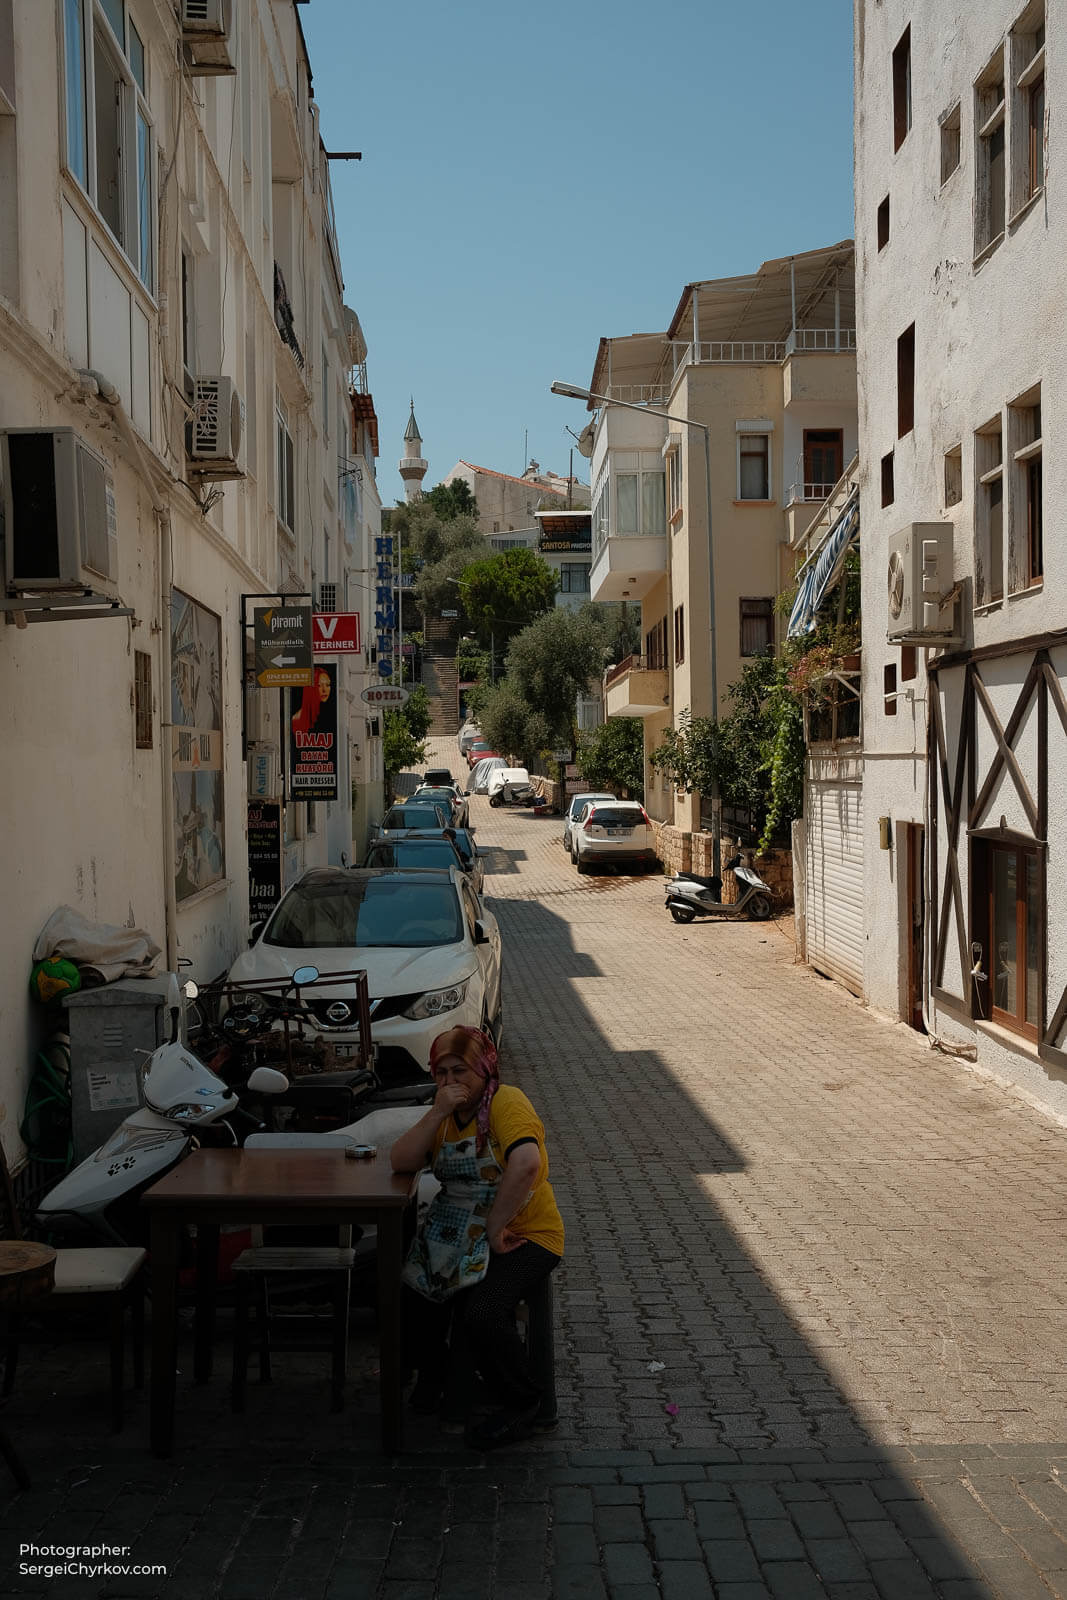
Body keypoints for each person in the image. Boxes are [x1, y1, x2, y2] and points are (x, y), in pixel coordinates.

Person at [391, 1025, 563, 1449]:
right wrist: (435, 1114)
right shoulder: (445, 1117)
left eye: (461, 1071)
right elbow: (401, 1160)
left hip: (524, 1235)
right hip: (460, 1236)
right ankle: (440, 1378)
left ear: (484, 1069)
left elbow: (526, 1163)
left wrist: (495, 1226)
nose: (451, 1081)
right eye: (442, 1072)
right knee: (412, 1292)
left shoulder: (507, 1102)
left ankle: (524, 1401)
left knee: (481, 1311)